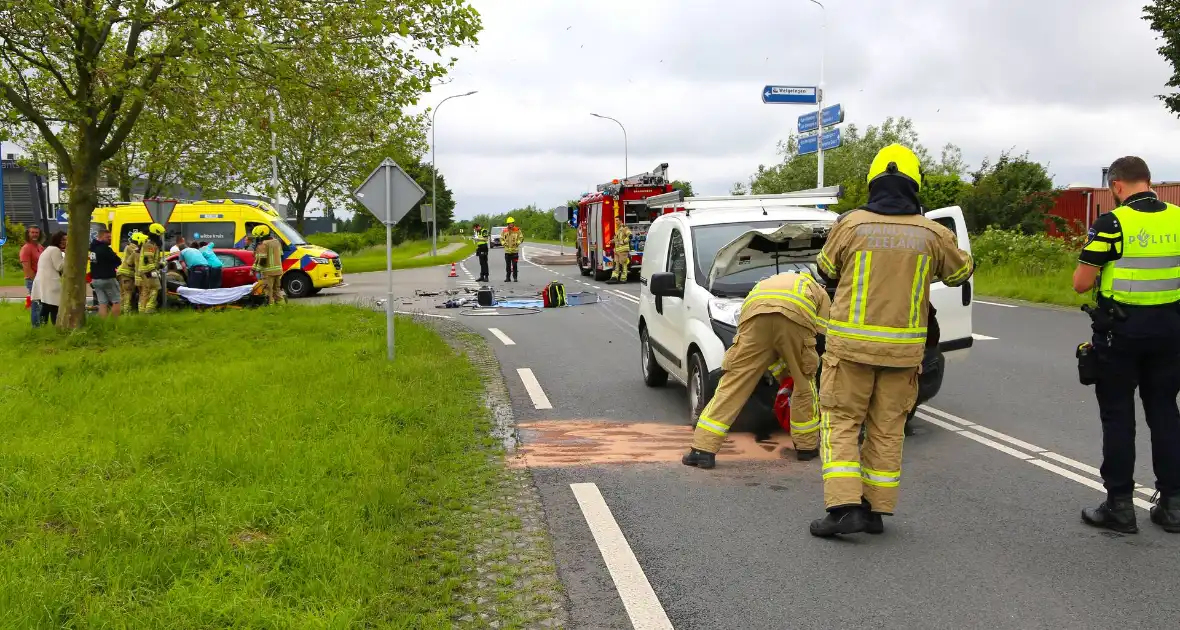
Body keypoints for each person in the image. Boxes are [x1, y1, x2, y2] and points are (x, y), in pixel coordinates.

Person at [810, 144, 974, 538]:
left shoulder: (851, 226)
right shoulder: (933, 234)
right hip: (903, 354)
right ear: (915, 184)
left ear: (873, 183)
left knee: (841, 424)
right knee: (887, 429)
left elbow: (825, 269)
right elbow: (958, 274)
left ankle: (844, 508)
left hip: (850, 349)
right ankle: (875, 511)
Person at [1072, 156, 1180, 534]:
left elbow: (1081, 283)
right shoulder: (1179, 218)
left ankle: (1119, 505)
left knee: (1118, 417)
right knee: (1165, 412)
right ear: (1147, 181)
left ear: (1117, 186)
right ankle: (1173, 506)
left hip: (1121, 334)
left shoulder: (1111, 224)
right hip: (1170, 332)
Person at [682, 271, 831, 469]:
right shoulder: (819, 292)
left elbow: (756, 339)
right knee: (804, 384)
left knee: (733, 384)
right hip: (795, 320)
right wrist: (797, 369)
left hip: (754, 318)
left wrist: (778, 370)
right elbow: (821, 339)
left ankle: (702, 449)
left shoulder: (764, 283)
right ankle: (806, 447)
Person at [30, 231, 67, 326]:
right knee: (54, 306)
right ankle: (55, 327)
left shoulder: (48, 249)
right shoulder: (55, 250)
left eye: (66, 239)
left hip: (44, 282)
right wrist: (67, 255)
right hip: (51, 283)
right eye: (63, 239)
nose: (65, 241)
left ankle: (42, 327)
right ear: (57, 240)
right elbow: (59, 266)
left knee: (46, 306)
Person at [88, 229, 122, 318]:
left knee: (102, 303)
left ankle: (103, 323)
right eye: (107, 237)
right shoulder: (105, 249)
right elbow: (118, 261)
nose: (110, 239)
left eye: (110, 237)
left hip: (95, 279)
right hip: (108, 278)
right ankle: (114, 323)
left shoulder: (92, 249)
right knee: (116, 301)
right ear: (100, 237)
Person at [251, 224, 286, 305]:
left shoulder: (263, 244)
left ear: (261, 235)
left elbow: (262, 259)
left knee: (268, 291)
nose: (256, 238)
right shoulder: (277, 242)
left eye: (257, 236)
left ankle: (270, 308)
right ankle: (282, 306)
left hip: (268, 272)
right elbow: (281, 255)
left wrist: (255, 269)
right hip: (278, 271)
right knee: (276, 290)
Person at [136, 223, 167, 314]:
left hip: (145, 271)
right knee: (155, 288)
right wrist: (153, 271)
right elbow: (148, 259)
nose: (161, 237)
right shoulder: (149, 245)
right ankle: (149, 310)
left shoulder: (151, 244)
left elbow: (153, 260)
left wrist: (161, 264)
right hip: (148, 271)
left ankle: (142, 311)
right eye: (160, 235)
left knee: (145, 291)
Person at [19, 226, 44, 326]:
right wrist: (35, 281)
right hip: (32, 280)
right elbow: (26, 268)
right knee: (36, 305)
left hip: (41, 279)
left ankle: (42, 324)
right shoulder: (26, 248)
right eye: (32, 232)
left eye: (36, 233)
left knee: (42, 305)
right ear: (28, 234)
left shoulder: (40, 247)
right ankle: (36, 327)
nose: (34, 235)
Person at [117, 231, 142, 312]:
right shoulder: (133, 248)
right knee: (128, 292)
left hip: (122, 273)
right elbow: (140, 256)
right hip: (127, 274)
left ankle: (121, 311)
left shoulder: (129, 246)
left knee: (122, 293)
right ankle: (126, 312)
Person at [608, 217, 633, 284]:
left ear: (621, 221)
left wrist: (623, 241)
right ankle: (614, 278)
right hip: (617, 251)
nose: (616, 222)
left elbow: (630, 236)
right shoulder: (618, 230)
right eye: (615, 220)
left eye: (617, 220)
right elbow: (617, 239)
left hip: (623, 250)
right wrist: (612, 241)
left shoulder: (624, 228)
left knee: (623, 264)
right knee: (616, 264)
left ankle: (623, 278)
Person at [502, 216, 523, 282]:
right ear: (508, 224)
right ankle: (508, 278)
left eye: (512, 223)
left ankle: (515, 277)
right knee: (508, 266)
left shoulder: (517, 230)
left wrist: (518, 243)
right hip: (507, 252)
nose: (511, 224)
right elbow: (501, 238)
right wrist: (503, 243)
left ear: (513, 223)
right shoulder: (504, 230)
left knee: (514, 265)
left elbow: (521, 238)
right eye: (509, 223)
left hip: (515, 251)